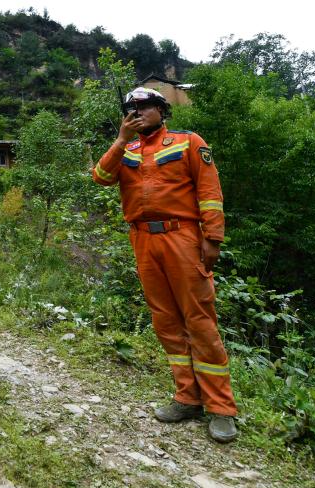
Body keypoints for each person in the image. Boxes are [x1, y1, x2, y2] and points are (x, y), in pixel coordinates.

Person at [91, 87, 238, 443]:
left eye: (144, 107)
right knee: (166, 321)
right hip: (143, 239)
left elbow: (209, 191)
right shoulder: (126, 149)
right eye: (130, 108)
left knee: (199, 320)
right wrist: (120, 139)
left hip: (182, 237)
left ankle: (220, 408)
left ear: (161, 109)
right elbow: (100, 177)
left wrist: (212, 238)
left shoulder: (187, 142)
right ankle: (187, 398)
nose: (137, 112)